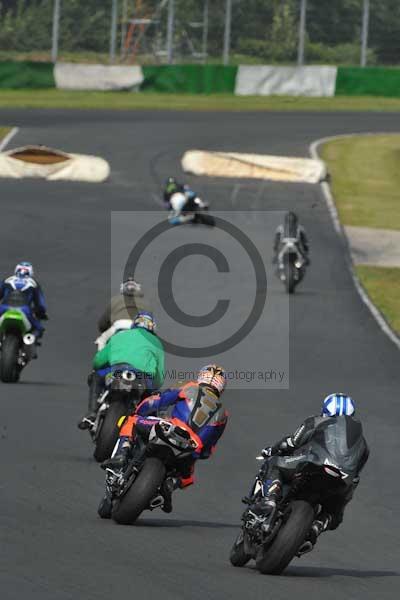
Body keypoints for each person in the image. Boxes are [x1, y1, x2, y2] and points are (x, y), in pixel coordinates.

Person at [101, 364, 228, 514]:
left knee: (132, 421)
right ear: (221, 387)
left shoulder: (189, 386)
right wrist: (197, 453)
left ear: (201, 377)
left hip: (171, 428)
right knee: (188, 478)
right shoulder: (223, 414)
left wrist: (139, 411)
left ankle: (121, 455)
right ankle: (170, 485)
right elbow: (209, 449)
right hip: (192, 446)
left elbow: (157, 401)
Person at [251, 393, 369, 546]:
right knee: (335, 514)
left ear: (325, 410)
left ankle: (270, 500)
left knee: (274, 463)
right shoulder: (363, 445)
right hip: (342, 480)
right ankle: (316, 527)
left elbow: (292, 443)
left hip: (313, 464)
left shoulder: (317, 421)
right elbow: (356, 474)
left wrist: (272, 450)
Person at [78, 311, 165, 430]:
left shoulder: (120, 335)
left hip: (117, 370)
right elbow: (159, 377)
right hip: (143, 378)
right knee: (151, 402)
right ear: (152, 327)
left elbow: (98, 361)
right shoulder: (157, 343)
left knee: (96, 377)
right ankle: (146, 429)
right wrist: (154, 388)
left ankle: (91, 414)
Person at [0, 261, 48, 338]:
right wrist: (41, 313)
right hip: (24, 310)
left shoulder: (7, 280)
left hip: (4, 308)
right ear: (31, 272)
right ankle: (29, 341)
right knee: (39, 329)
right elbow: (40, 304)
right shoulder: (33, 283)